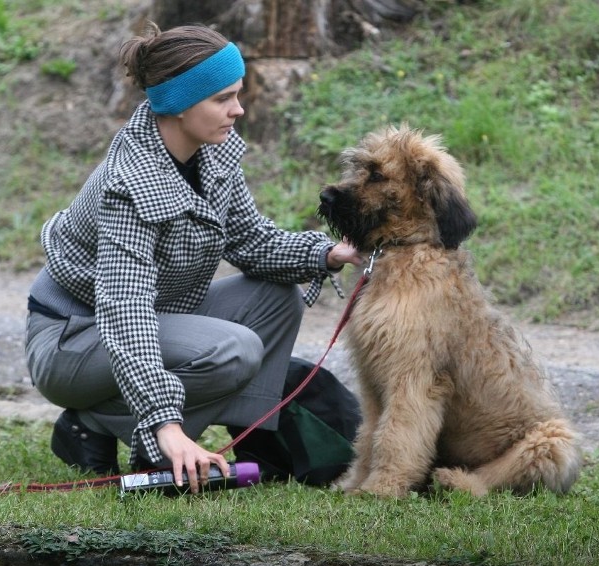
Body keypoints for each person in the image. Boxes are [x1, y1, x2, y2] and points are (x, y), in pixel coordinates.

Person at [24, 21, 362, 493]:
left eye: (238, 94)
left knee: (275, 299)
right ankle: (117, 430)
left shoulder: (211, 153)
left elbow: (250, 242)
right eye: (222, 98)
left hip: (149, 319)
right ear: (179, 104)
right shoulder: (131, 184)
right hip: (72, 338)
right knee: (234, 349)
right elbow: (127, 311)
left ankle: (252, 442)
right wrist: (165, 422)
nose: (237, 110)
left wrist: (330, 252)